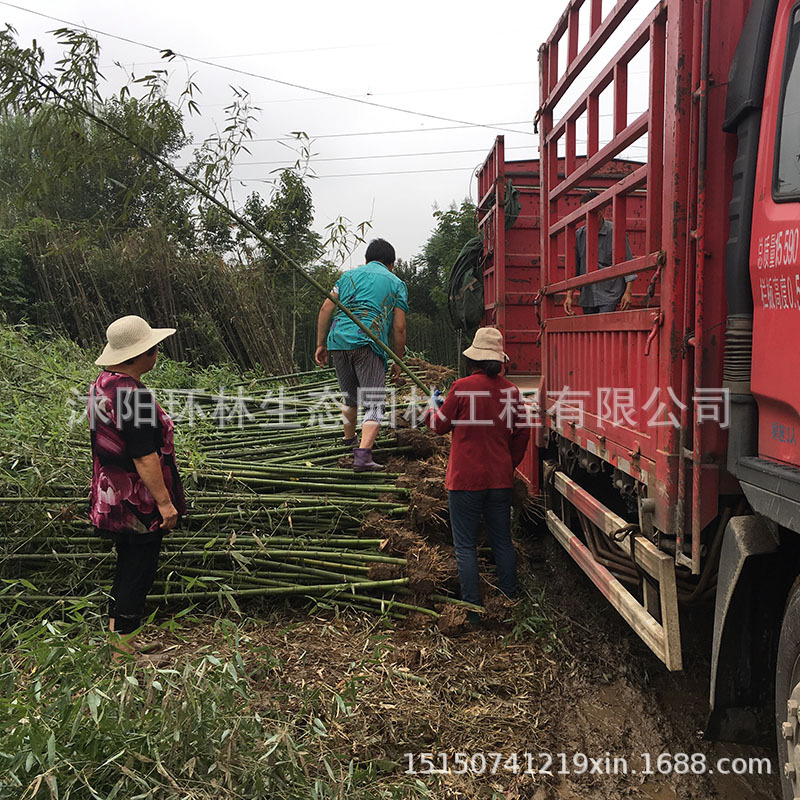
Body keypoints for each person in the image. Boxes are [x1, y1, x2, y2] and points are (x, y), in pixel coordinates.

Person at [87, 315, 185, 661]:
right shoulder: (133, 395)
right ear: (144, 354)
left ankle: (120, 643)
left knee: (127, 566)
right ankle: (123, 656)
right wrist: (165, 504)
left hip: (112, 498)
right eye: (154, 348)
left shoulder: (103, 384)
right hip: (137, 502)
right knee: (137, 573)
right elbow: (144, 457)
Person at [425, 327, 530, 623]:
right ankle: (509, 600)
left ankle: (472, 609)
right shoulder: (511, 391)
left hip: (465, 480)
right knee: (502, 541)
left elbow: (439, 427)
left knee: (465, 545)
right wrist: (508, 464)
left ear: (473, 359)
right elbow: (523, 432)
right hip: (499, 479)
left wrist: (431, 408)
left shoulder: (461, 387)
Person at [314, 238, 408, 472]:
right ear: (391, 264)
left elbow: (326, 308)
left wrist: (321, 344)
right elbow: (399, 327)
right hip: (368, 341)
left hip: (338, 340)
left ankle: (349, 441)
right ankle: (363, 455)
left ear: (366, 260)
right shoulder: (395, 282)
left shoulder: (347, 277)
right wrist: (398, 359)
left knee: (350, 397)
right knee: (375, 404)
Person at [564, 190, 636, 315]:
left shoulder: (615, 232)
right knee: (590, 332)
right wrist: (569, 296)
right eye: (583, 213)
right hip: (587, 295)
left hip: (610, 293)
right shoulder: (579, 235)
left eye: (590, 212)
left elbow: (627, 261)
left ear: (601, 211)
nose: (587, 216)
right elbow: (574, 267)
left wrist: (628, 293)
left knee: (604, 327)